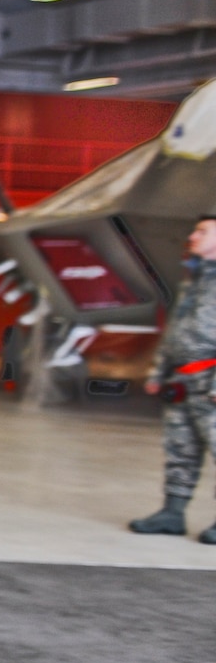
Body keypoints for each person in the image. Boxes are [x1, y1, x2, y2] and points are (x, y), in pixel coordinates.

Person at [130, 214, 216, 540]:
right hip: (182, 380)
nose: (192, 236)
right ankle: (172, 514)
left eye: (202, 231)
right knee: (181, 449)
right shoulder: (192, 280)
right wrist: (158, 371)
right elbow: (175, 331)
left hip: (211, 379)